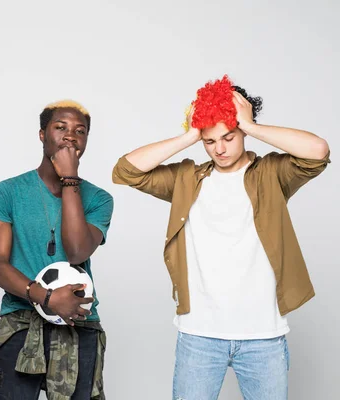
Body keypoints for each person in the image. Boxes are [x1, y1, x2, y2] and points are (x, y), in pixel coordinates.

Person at [112, 75, 330, 400]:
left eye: (229, 136)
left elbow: (318, 151)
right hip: (199, 335)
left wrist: (253, 126)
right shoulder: (187, 178)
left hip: (263, 336)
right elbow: (126, 171)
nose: (220, 149)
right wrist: (189, 135)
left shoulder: (271, 175)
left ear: (242, 130)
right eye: (210, 141)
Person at [0, 100, 114, 400]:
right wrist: (47, 298)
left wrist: (70, 179)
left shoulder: (99, 199)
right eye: (60, 127)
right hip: (21, 323)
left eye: (80, 131)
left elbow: (76, 252)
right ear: (41, 134)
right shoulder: (6, 192)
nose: (70, 136)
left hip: (78, 322)